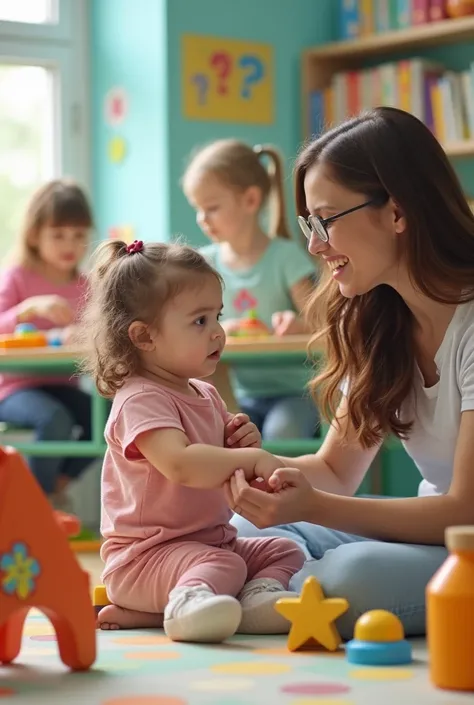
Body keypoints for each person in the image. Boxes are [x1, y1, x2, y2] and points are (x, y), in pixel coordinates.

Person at [227, 107, 474, 640]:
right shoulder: (381, 324)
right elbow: (336, 472)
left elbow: (465, 512)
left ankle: (253, 589)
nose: (315, 245)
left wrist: (312, 506)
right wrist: (244, 469)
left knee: (350, 576)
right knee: (235, 528)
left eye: (327, 220)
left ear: (397, 212)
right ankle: (259, 587)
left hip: (467, 543)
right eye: (308, 224)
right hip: (435, 536)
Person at [79, 238, 305, 642]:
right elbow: (182, 464)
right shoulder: (140, 398)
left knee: (284, 550)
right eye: (200, 321)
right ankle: (185, 609)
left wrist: (241, 445)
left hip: (209, 546)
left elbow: (220, 464)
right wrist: (252, 459)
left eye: (217, 316)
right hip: (143, 560)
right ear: (144, 337)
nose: (218, 332)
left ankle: (253, 601)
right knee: (226, 567)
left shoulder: (206, 393)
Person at [183, 139, 319, 440]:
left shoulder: (287, 258)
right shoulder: (204, 264)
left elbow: (323, 325)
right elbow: (187, 325)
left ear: (250, 200)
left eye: (212, 208)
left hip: (296, 393)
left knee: (280, 434)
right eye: (198, 209)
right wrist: (214, 328)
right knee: (220, 438)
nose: (202, 219)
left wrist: (299, 325)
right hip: (234, 393)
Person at [0, 179, 94, 509]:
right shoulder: (17, 277)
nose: (70, 244)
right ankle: (36, 505)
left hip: (62, 384)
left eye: (79, 235)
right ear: (34, 235)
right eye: (58, 235)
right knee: (55, 420)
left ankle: (54, 486)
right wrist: (28, 309)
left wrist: (83, 334)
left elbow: (99, 332)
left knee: (113, 416)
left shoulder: (85, 284)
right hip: (14, 389)